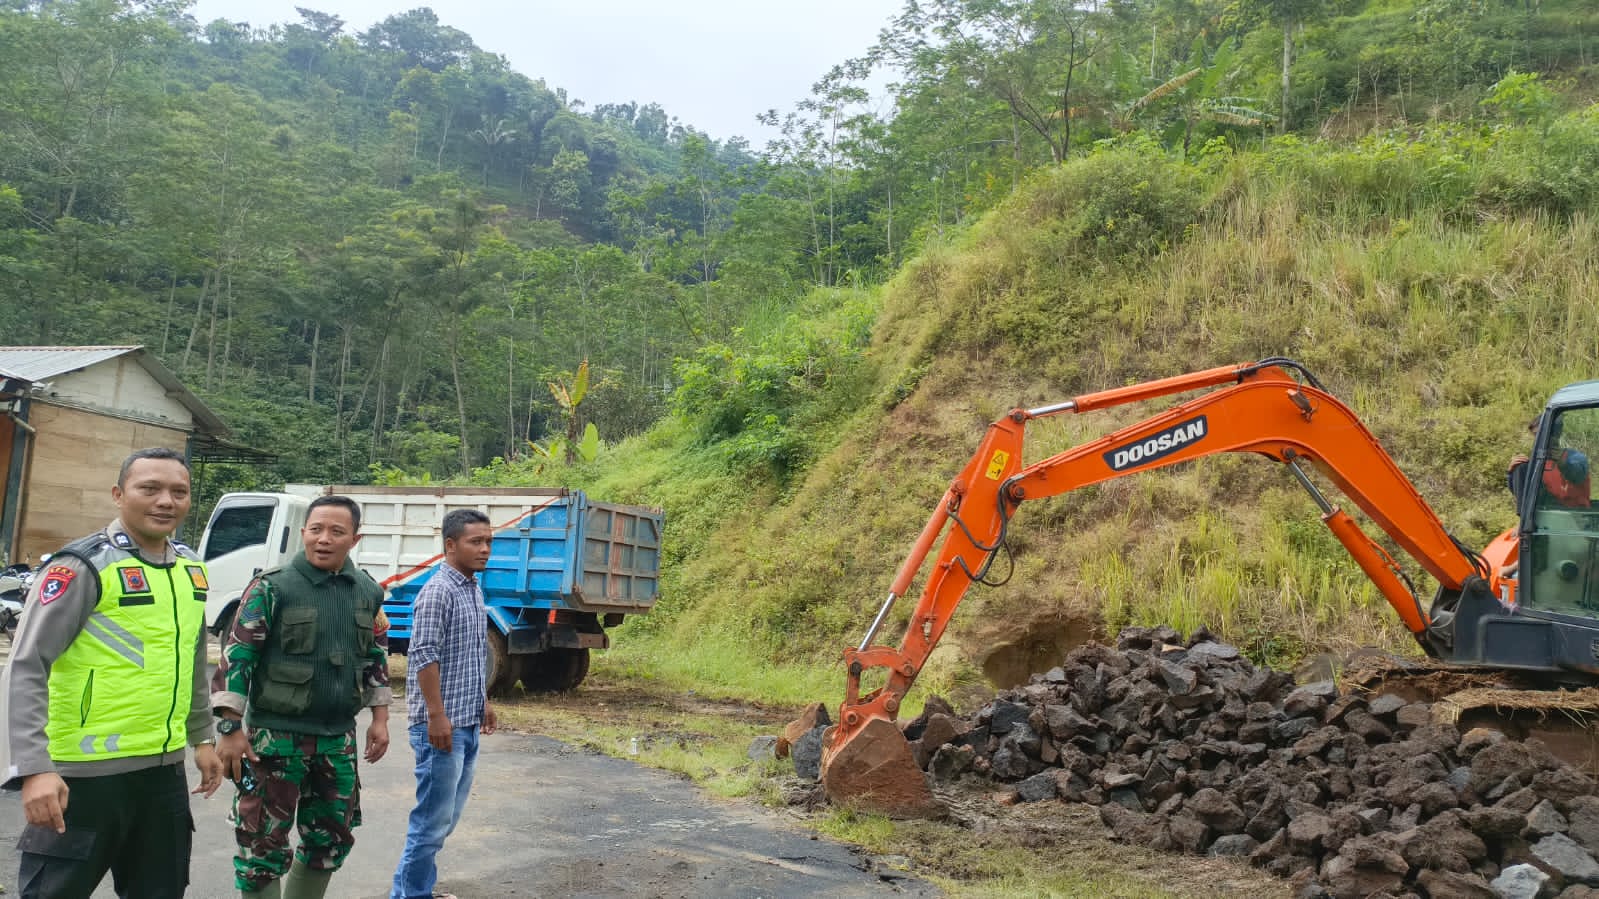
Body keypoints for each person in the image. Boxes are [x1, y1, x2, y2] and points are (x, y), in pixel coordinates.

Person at [1, 446, 225, 898]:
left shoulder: (190, 571)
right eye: (150, 489)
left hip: (161, 777)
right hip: (79, 778)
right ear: (119, 494)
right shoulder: (82, 567)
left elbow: (193, 659)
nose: (166, 501)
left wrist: (202, 738)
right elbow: (27, 665)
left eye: (178, 492)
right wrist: (34, 768)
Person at [212, 495, 391, 899]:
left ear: (354, 538)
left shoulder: (367, 591)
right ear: (304, 532)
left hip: (336, 740)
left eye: (336, 532)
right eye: (316, 530)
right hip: (275, 740)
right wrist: (229, 728)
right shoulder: (272, 587)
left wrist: (380, 719)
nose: (324, 539)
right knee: (262, 844)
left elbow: (375, 655)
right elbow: (238, 658)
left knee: (330, 841)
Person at [390, 509, 498, 899]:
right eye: (475, 541)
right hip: (440, 728)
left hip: (465, 722)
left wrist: (483, 702)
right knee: (431, 823)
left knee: (444, 819)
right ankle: (411, 895)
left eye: (488, 541)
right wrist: (436, 716)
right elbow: (423, 656)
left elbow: (471, 654)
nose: (485, 549)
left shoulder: (472, 587)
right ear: (451, 545)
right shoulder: (438, 591)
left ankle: (415, 889)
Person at [1509, 413, 1591, 509]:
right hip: (1546, 517)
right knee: (1521, 467)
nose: (1537, 440)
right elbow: (1521, 493)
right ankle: (1527, 522)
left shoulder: (1576, 458)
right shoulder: (1537, 462)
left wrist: (1563, 463)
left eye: (1540, 435)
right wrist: (1512, 473)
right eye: (1535, 435)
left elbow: (1578, 476)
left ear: (1556, 434)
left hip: (1576, 517)